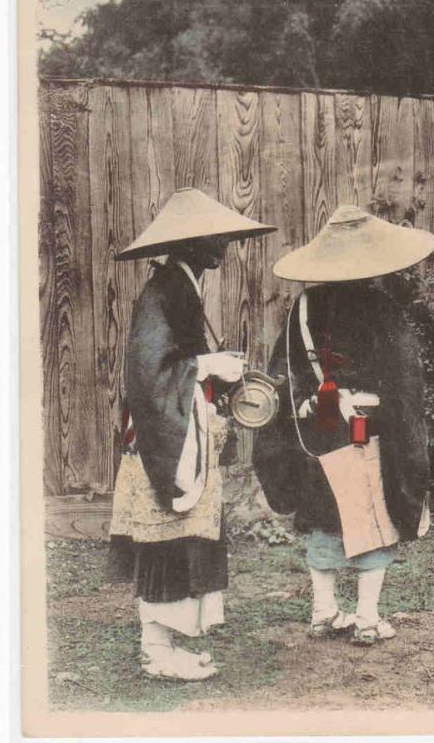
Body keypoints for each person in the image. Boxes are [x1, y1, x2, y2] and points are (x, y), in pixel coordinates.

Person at [107, 188, 276, 680]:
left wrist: (212, 371)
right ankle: (156, 652)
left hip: (183, 430)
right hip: (167, 440)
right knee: (168, 538)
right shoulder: (167, 290)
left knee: (184, 538)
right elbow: (147, 372)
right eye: (213, 238)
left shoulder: (181, 285)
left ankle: (167, 646)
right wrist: (206, 364)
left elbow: (171, 363)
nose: (222, 246)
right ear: (189, 245)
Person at [253, 204, 434, 645]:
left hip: (318, 434)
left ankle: (324, 612)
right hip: (364, 432)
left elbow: (284, 371)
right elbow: (404, 381)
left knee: (323, 517)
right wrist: (383, 409)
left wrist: (310, 402)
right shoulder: (383, 311)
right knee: (371, 517)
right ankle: (368, 618)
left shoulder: (303, 308)